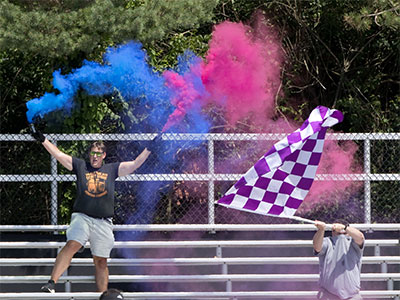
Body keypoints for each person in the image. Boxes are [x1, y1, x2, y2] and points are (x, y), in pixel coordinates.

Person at [31, 127, 161, 293]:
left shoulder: (112, 169)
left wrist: (149, 148)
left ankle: (103, 296)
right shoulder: (80, 166)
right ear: (89, 154)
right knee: (72, 244)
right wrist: (43, 140)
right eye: (92, 153)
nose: (95, 157)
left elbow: (135, 164)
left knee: (101, 262)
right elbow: (59, 155)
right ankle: (51, 283)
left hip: (104, 222)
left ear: (104, 156)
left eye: (99, 154)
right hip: (82, 217)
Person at [313, 220, 365, 300]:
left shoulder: (353, 243)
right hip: (328, 295)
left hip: (352, 296)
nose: (341, 236)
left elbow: (360, 237)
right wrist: (321, 230)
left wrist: (344, 228)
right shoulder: (327, 242)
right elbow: (317, 247)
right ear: (332, 232)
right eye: (338, 233)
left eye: (344, 233)